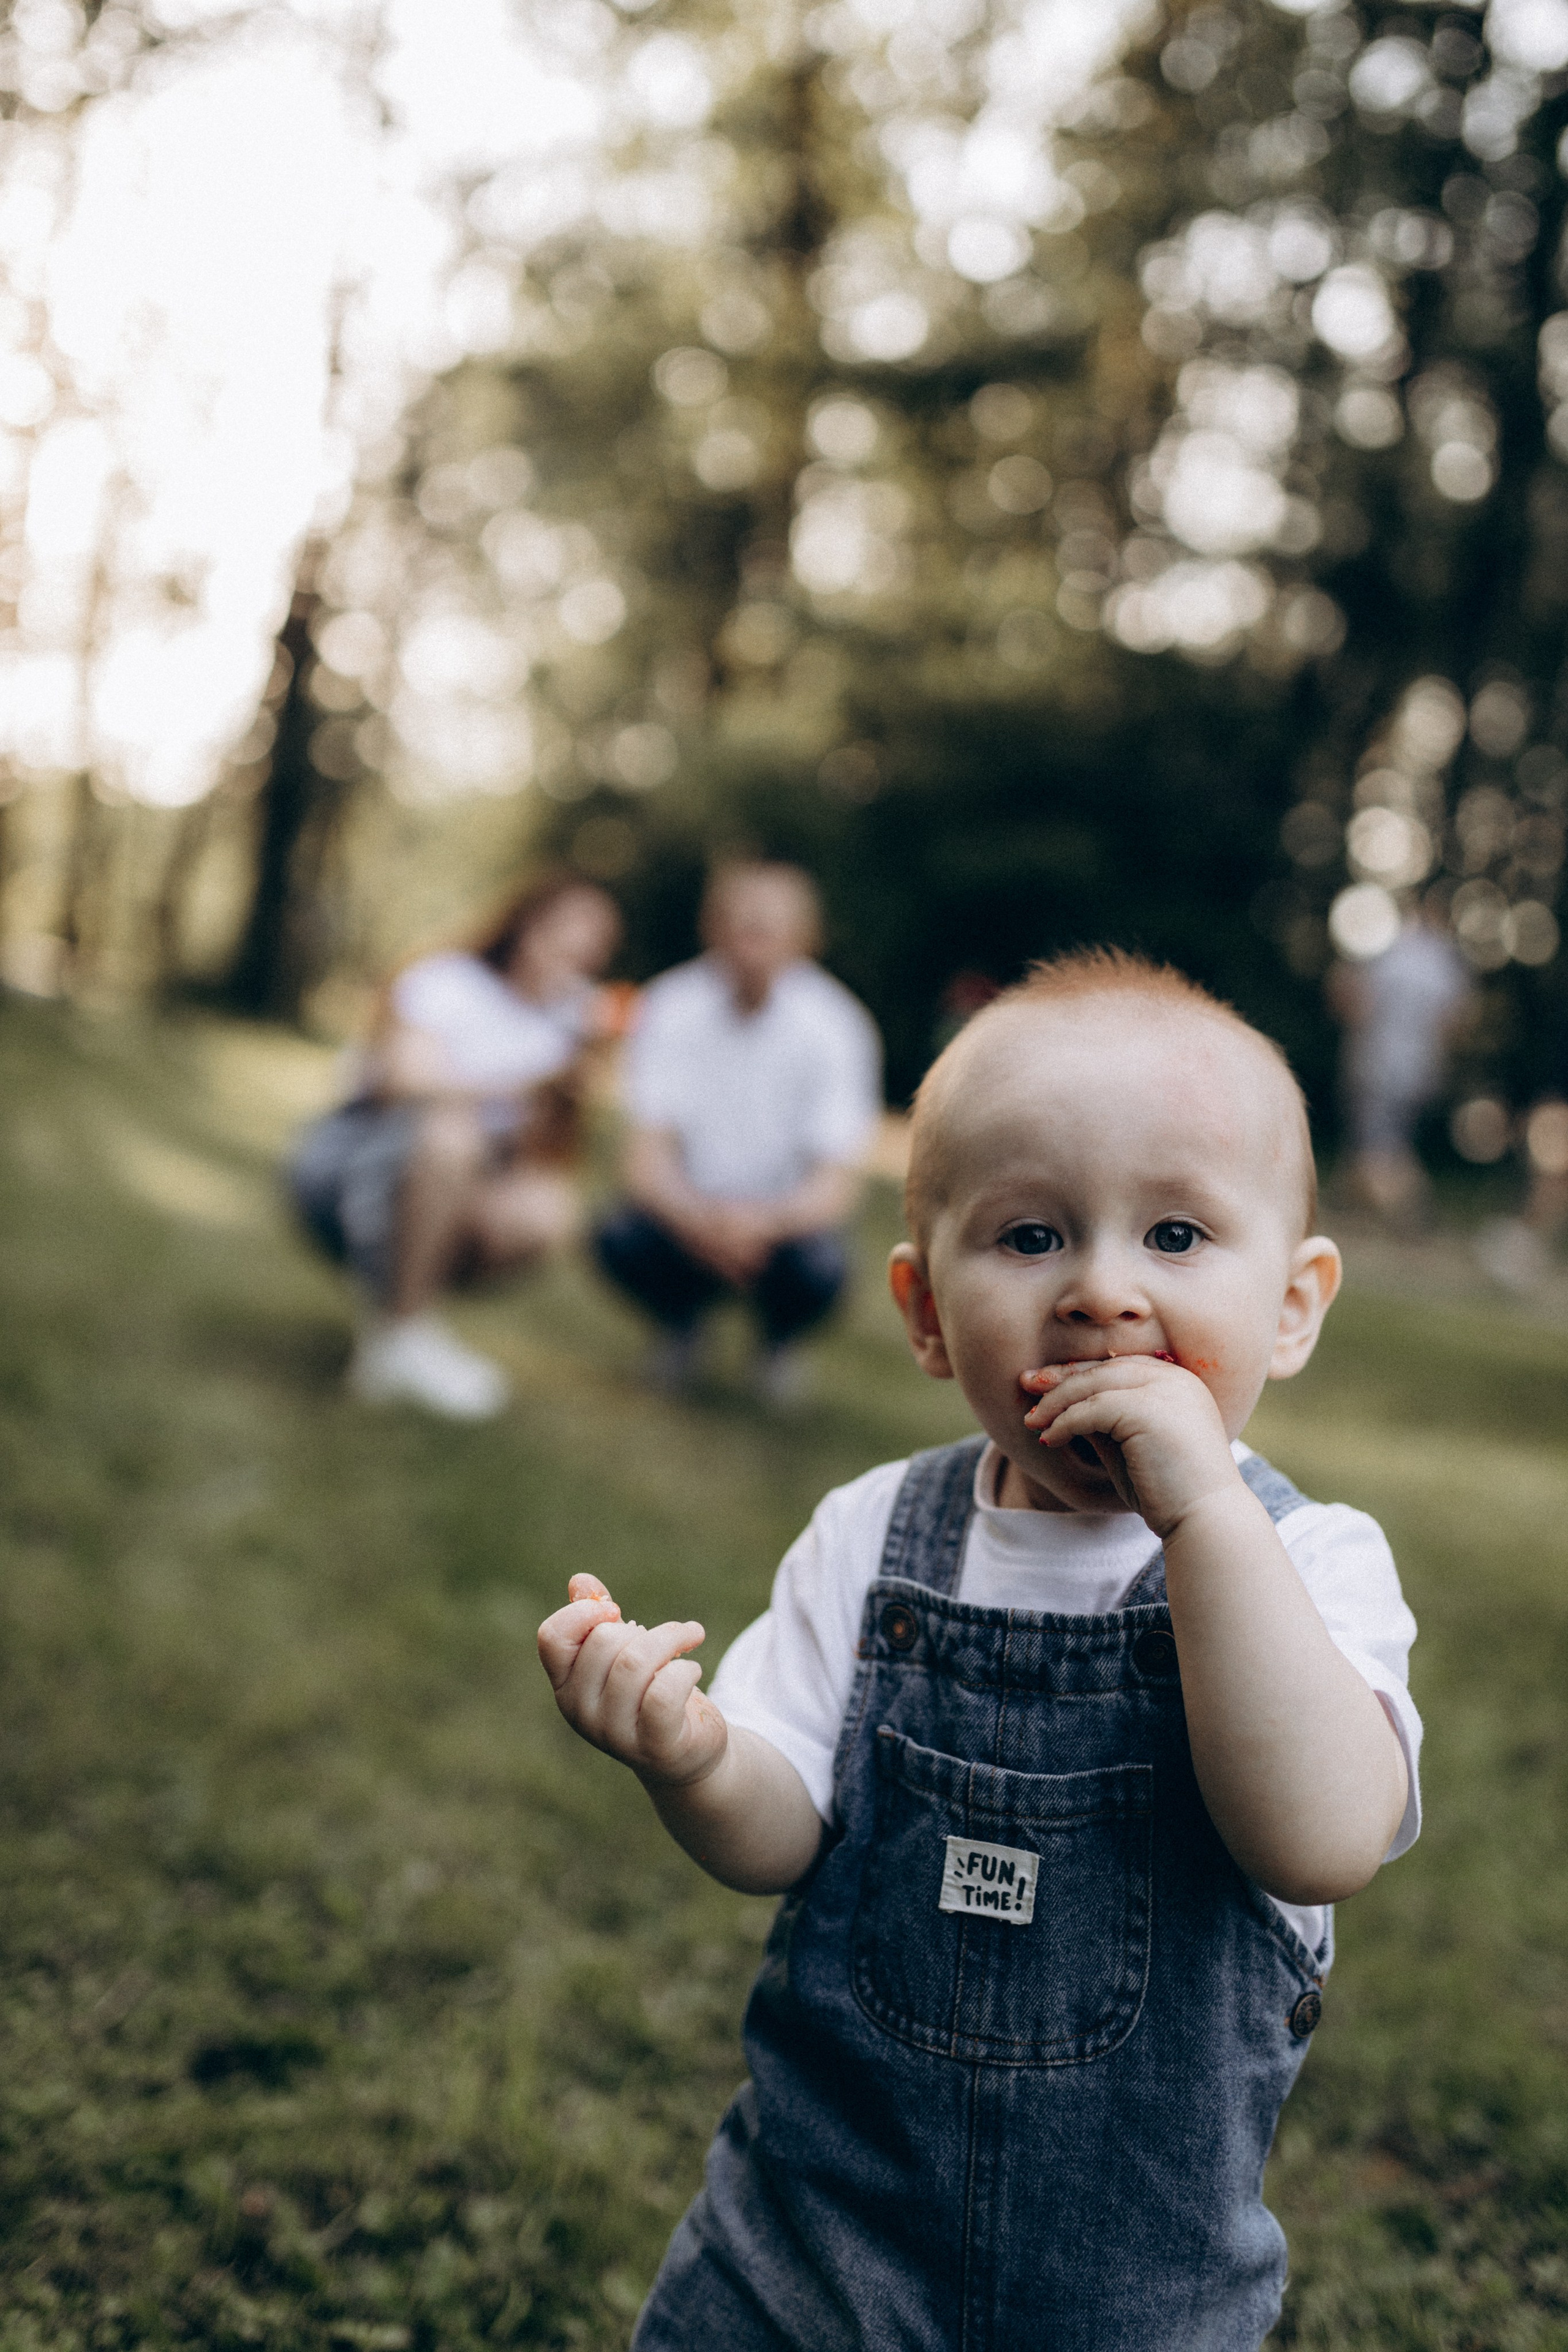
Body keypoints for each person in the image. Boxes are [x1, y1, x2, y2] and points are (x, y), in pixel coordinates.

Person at [538, 947, 1421, 2352]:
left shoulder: (1311, 1564)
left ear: (1294, 1303)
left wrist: (1198, 1516)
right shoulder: (872, 1529)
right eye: (1028, 1236)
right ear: (923, 1314)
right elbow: (779, 1828)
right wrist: (695, 1755)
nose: (1098, 1292)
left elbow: (1318, 1838)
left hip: (1131, 2286)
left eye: (1176, 1237)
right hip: (809, 2239)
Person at [290, 875, 621, 1419]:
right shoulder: (448, 980)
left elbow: (538, 1155)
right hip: (348, 1164)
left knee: (544, 1210)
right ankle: (400, 1340)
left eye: (600, 938)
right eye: (575, 926)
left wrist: (570, 1095)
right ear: (530, 923)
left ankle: (401, 1330)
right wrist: (526, 1082)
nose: (585, 946)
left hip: (455, 1176)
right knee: (451, 1131)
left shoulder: (569, 1024)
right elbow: (404, 1079)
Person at [595, 861, 881, 1402]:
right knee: (618, 1237)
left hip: (782, 1224)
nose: (752, 941)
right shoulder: (669, 1005)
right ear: (712, 928)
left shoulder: (838, 1027)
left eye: (768, 928)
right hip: (687, 1210)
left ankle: (777, 1344)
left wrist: (760, 1224)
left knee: (824, 1268)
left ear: (805, 939)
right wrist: (698, 1220)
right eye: (740, 923)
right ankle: (680, 1327)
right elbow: (645, 1157)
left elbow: (835, 1184)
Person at [1327, 900, 1471, 1223]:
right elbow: (1455, 1023)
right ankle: (1350, 1207)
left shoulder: (1387, 950)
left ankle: (1411, 1213)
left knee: (1380, 1144)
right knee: (1380, 1138)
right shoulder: (1446, 962)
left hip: (1376, 1060)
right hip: (1420, 1067)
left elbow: (1352, 1001)